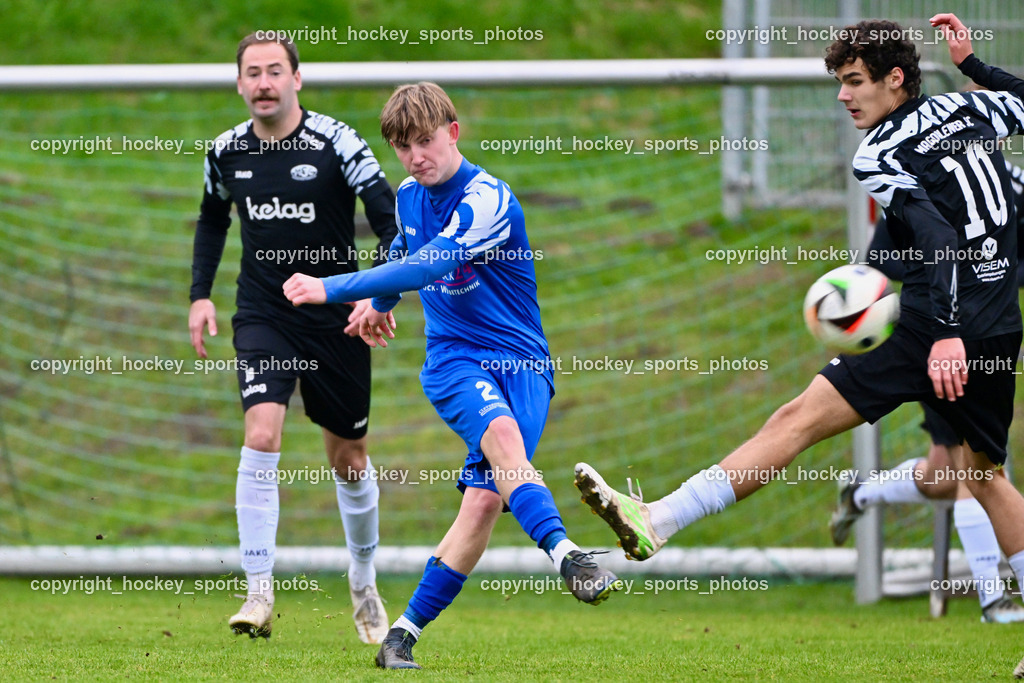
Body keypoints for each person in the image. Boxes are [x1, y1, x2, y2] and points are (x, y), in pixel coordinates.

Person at [574, 14, 1024, 676]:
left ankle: (661, 518)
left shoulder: (880, 152)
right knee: (983, 475)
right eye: (839, 83)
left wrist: (948, 331)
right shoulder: (974, 105)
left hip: (937, 325)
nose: (843, 97)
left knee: (812, 425)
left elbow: (936, 238)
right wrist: (977, 65)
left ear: (895, 80)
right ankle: (657, 518)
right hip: (995, 323)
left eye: (853, 82)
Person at [283, 81, 621, 670]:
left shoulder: (488, 198)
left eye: (426, 141)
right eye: (404, 147)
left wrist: (330, 288)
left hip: (524, 366)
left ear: (453, 133)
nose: (416, 157)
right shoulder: (410, 196)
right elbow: (406, 258)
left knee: (484, 505)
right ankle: (571, 558)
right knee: (506, 444)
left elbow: (431, 262)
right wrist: (380, 304)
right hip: (455, 360)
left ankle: (402, 638)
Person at [188, 31, 397, 643]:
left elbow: (391, 221)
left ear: (297, 79)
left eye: (274, 71)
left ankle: (363, 581)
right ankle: (258, 592)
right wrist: (201, 294)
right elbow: (211, 216)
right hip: (264, 314)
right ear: (238, 84)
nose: (263, 83)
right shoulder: (225, 152)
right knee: (262, 431)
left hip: (337, 316)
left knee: (349, 459)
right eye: (251, 73)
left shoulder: (340, 143)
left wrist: (373, 294)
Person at [829, 208, 1024, 623]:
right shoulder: (918, 182)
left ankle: (861, 493)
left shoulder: (1008, 187)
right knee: (977, 473)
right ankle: (994, 600)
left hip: (990, 339)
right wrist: (941, 267)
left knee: (943, 477)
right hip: (936, 345)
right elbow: (880, 259)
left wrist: (998, 273)